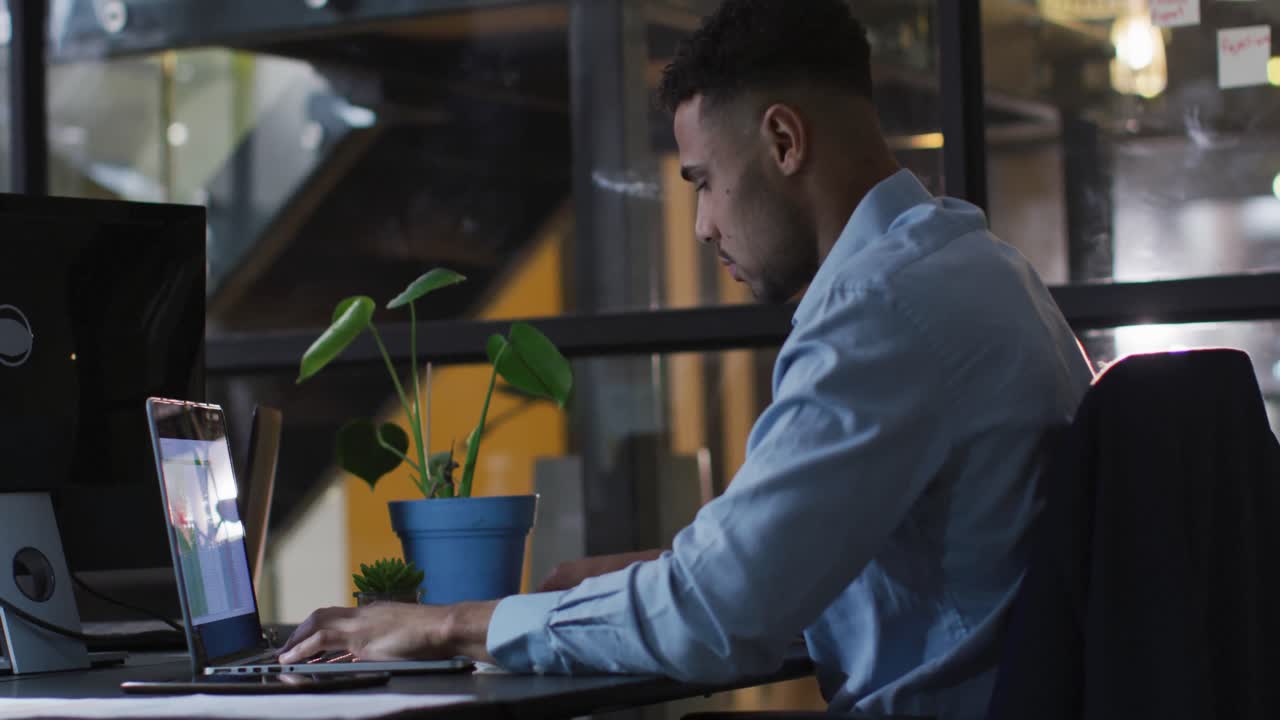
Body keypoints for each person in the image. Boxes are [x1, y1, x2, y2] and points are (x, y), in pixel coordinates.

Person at [279, 1, 1094, 717]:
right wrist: (650, 579)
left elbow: (717, 615)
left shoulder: (881, 310)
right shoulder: (978, 265)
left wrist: (444, 623)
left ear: (782, 139)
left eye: (703, 181)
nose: (702, 225)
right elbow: (826, 569)